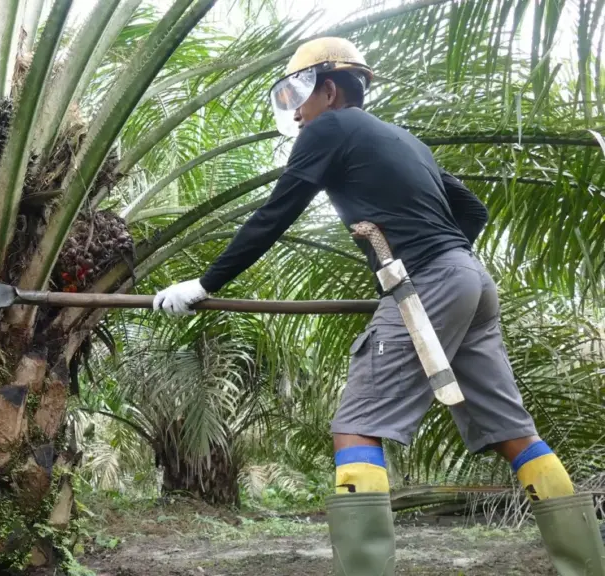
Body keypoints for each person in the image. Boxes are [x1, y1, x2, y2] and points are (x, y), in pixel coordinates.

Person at [152, 37, 605, 576]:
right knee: (516, 433)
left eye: (297, 94)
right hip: (473, 283)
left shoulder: (329, 127)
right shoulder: (406, 140)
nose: (294, 111)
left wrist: (205, 282)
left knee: (357, 427)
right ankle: (586, 567)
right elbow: (473, 210)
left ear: (328, 88)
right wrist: (439, 259)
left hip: (430, 285)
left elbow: (277, 212)